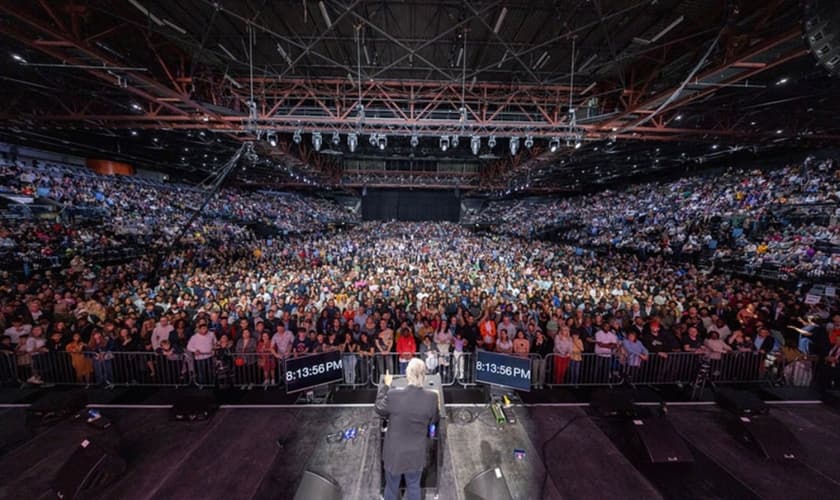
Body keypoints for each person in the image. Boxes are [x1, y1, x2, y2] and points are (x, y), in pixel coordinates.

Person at [375, 358, 440, 500]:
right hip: (416, 455)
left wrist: (386, 386)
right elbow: (434, 420)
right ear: (424, 375)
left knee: (391, 487)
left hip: (394, 454)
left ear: (407, 374)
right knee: (414, 486)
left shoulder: (393, 395)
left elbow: (379, 408)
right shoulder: (432, 398)